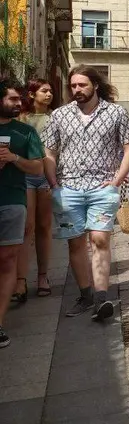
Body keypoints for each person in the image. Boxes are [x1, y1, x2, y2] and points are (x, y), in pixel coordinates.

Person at [42, 66, 129, 321]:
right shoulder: (60, 115)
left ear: (95, 85)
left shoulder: (115, 113)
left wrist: (116, 180)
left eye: (82, 85)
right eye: (73, 86)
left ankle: (101, 298)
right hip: (68, 188)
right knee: (76, 242)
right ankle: (85, 295)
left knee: (99, 240)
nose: (77, 90)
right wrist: (54, 184)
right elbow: (49, 153)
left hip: (101, 188)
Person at [0, 79, 44, 348]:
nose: (19, 103)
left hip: (13, 201)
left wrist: (14, 159)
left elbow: (37, 168)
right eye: (13, 99)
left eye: (20, 99)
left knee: (6, 261)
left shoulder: (25, 133)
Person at [13, 78, 56, 304]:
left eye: (50, 91)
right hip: (26, 175)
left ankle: (42, 276)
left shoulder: (55, 118)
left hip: (47, 176)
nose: (49, 94)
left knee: (44, 227)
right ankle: (20, 280)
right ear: (31, 94)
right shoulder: (21, 118)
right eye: (44, 91)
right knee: (27, 227)